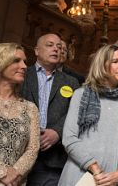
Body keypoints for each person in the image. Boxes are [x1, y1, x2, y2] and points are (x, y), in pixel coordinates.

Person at [58, 45, 118, 186]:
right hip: (80, 176)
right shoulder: (81, 95)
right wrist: (94, 168)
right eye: (115, 62)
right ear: (102, 65)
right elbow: (69, 138)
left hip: (116, 180)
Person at [23, 33, 80, 186]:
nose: (56, 49)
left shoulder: (71, 82)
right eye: (50, 45)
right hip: (19, 153)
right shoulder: (21, 75)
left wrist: (57, 132)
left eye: (59, 47)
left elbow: (76, 114)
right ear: (36, 50)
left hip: (52, 161)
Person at [0, 43, 40, 185]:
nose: (24, 66)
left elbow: (33, 149)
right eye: (16, 61)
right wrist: (2, 172)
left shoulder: (30, 108)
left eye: (24, 61)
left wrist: (14, 175)